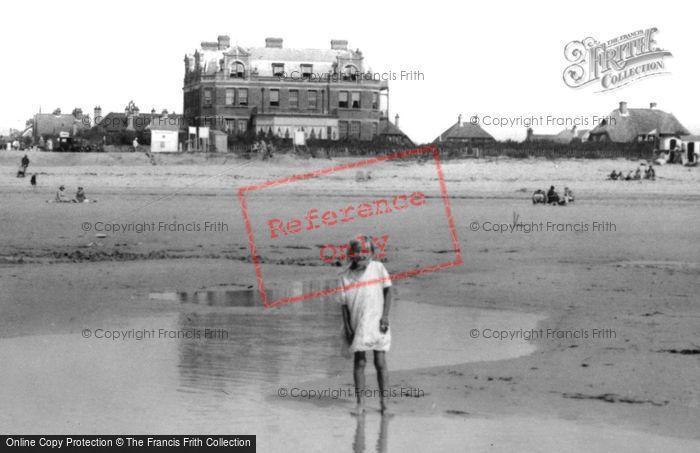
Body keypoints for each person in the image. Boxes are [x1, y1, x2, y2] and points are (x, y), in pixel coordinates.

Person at [339, 236, 392, 415]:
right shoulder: (344, 276)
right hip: (357, 324)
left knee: (380, 361)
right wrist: (347, 327)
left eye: (366, 253)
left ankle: (384, 403)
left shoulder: (378, 268)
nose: (362, 256)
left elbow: (388, 290)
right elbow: (344, 305)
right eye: (358, 253)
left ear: (372, 253)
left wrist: (385, 316)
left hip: (378, 322)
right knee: (359, 362)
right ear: (351, 255)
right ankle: (360, 404)